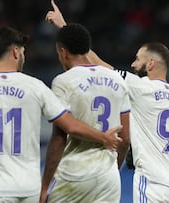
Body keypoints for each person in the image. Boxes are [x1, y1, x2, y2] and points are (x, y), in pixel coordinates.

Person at [45, 2, 169, 203]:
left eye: (137, 59)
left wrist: (64, 27)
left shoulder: (139, 87)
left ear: (150, 64)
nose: (132, 64)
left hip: (151, 183)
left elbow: (94, 63)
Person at [0, 26, 122, 202]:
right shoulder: (36, 87)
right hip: (29, 189)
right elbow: (70, 126)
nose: (24, 55)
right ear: (15, 52)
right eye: (23, 51)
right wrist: (103, 137)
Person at [39, 23, 130, 203]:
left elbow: (59, 137)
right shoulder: (117, 80)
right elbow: (125, 138)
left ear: (63, 52)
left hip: (74, 175)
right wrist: (113, 170)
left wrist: (44, 187)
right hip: (108, 178)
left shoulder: (63, 81)